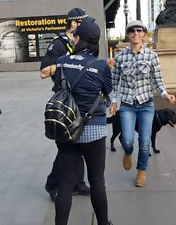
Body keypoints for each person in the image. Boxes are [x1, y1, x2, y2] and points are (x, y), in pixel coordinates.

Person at [53, 20, 113, 225]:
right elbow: (109, 95)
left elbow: (58, 90)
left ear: (79, 39)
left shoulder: (61, 62)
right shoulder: (102, 66)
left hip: (67, 130)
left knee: (66, 184)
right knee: (97, 181)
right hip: (94, 130)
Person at [109, 20, 176, 187]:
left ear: (144, 34)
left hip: (146, 105)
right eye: (132, 31)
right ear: (128, 34)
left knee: (145, 142)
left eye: (139, 31)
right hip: (127, 105)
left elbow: (157, 80)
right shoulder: (120, 57)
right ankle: (128, 152)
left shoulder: (152, 56)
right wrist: (114, 101)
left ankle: (141, 171)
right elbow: (113, 82)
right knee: (127, 140)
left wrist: (165, 94)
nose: (136, 33)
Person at [40, 7, 91, 201]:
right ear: (73, 23)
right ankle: (52, 184)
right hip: (66, 103)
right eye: (83, 22)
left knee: (80, 144)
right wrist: (67, 63)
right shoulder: (58, 45)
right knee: (67, 147)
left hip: (82, 99)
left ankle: (78, 183)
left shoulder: (84, 42)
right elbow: (44, 72)